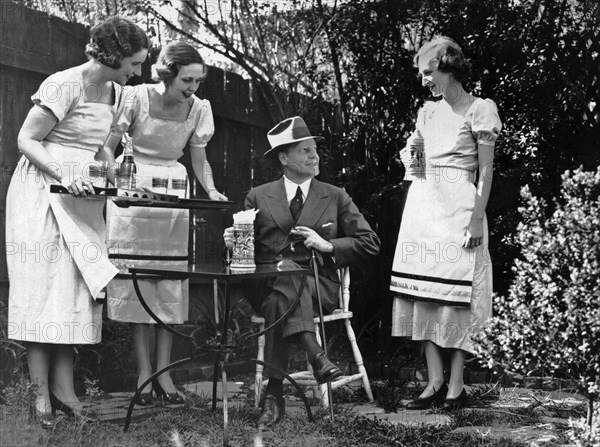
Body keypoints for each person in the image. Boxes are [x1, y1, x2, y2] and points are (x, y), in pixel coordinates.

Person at [5, 17, 149, 426]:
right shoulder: (63, 83)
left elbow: (104, 149)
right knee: (43, 291)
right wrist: (63, 173)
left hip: (84, 198)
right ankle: (39, 399)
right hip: (42, 193)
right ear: (112, 55)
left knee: (74, 293)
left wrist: (121, 177)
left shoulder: (119, 93)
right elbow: (27, 139)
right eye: (132, 64)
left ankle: (65, 391)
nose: (136, 72)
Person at [223, 116, 380, 427]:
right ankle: (316, 354)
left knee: (282, 296)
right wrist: (232, 242)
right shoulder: (259, 195)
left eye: (314, 150)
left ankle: (275, 393)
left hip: (317, 286)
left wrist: (327, 244)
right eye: (305, 151)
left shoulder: (335, 195)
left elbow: (370, 242)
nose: (314, 156)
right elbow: (245, 253)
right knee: (285, 277)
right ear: (284, 158)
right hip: (264, 283)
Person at [102, 41, 228, 406]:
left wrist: (212, 189)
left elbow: (199, 157)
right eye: (187, 80)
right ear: (169, 73)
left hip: (173, 194)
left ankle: (165, 375)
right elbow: (108, 147)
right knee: (139, 287)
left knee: (169, 288)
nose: (192, 88)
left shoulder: (198, 109)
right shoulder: (136, 97)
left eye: (197, 81)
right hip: (133, 194)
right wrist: (117, 184)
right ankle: (145, 375)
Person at [390, 36, 502, 410]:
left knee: (455, 300)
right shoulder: (427, 112)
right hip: (424, 208)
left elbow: (485, 172)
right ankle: (433, 381)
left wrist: (475, 219)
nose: (425, 80)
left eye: (429, 72)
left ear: (449, 67)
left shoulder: (479, 109)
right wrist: (413, 154)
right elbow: (417, 168)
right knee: (423, 296)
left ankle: (456, 385)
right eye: (422, 74)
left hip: (459, 208)